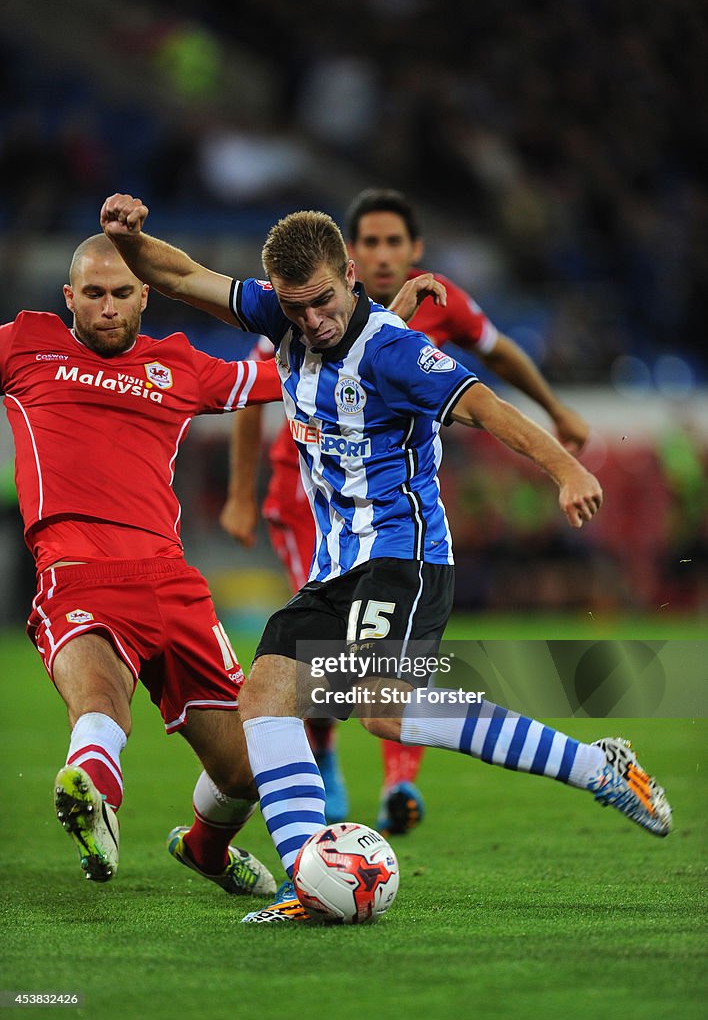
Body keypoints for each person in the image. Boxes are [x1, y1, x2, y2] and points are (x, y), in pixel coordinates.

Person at [100, 193, 672, 924]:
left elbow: (486, 408)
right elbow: (181, 277)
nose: (310, 321)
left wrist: (567, 470)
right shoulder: (283, 314)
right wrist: (130, 238)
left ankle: (601, 766)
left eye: (323, 301)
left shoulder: (397, 351)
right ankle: (309, 883)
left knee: (383, 709)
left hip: (404, 560)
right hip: (335, 568)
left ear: (350, 276)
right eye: (295, 307)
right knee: (265, 697)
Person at [220, 188, 590, 835]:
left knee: (366, 697)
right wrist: (240, 495)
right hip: (316, 517)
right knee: (285, 690)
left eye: (394, 242)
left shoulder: (437, 310)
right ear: (351, 255)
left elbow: (482, 370)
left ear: (408, 251)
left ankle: (395, 782)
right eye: (370, 241)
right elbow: (288, 376)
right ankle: (306, 841)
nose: (382, 253)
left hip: (394, 535)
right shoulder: (304, 311)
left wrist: (559, 428)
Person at [0, 233, 283, 897]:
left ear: (144, 296)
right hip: (77, 571)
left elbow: (279, 378)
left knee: (246, 768)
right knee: (101, 708)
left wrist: (383, 324)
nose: (106, 308)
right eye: (92, 294)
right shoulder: (23, 344)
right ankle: (94, 801)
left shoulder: (179, 365)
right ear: (68, 296)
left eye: (120, 293)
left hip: (174, 583)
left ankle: (205, 849)